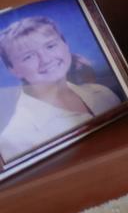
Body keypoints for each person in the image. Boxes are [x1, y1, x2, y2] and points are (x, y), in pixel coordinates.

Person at [0, 13, 121, 164]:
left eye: (50, 46)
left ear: (65, 44)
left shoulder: (103, 93)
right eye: (28, 56)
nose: (46, 59)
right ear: (12, 69)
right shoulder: (16, 137)